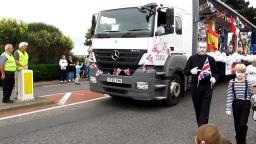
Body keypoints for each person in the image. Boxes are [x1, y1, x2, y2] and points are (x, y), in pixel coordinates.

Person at [184, 40, 218, 127]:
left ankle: (202, 130)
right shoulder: (192, 58)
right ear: (197, 48)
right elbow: (185, 71)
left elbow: (216, 72)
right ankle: (201, 127)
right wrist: (191, 71)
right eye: (200, 47)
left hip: (207, 87)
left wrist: (214, 78)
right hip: (195, 87)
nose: (202, 49)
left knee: (205, 109)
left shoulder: (210, 59)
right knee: (198, 109)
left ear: (206, 48)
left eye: (204, 47)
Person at [226, 63, 255, 144]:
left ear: (244, 73)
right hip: (236, 104)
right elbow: (229, 95)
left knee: (242, 123)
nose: (239, 74)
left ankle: (242, 140)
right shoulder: (231, 82)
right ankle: (238, 136)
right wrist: (228, 108)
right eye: (238, 72)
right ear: (235, 72)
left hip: (246, 104)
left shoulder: (248, 82)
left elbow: (252, 93)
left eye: (242, 72)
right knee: (237, 123)